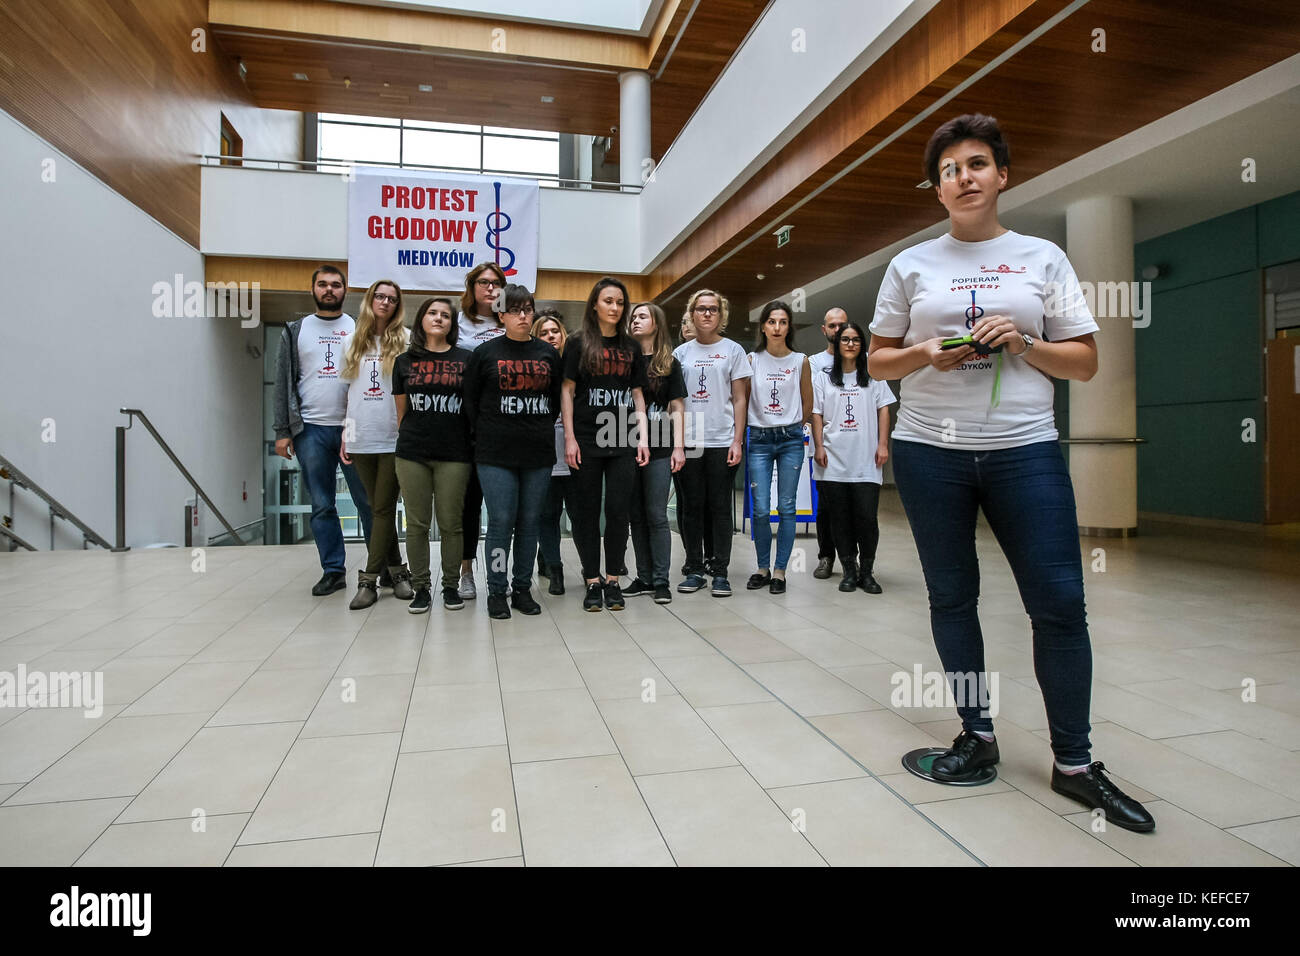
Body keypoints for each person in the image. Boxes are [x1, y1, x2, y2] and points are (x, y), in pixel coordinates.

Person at [867, 113, 1154, 831]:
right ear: (938, 190)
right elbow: (876, 360)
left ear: (1001, 175)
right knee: (953, 597)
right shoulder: (911, 265)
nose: (963, 177)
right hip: (929, 450)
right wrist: (924, 353)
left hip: (1025, 451)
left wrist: (1025, 342)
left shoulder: (1042, 258)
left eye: (976, 164)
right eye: (948, 170)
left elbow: (1084, 362)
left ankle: (1076, 764)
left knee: (1059, 602)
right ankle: (978, 738)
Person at [273, 264, 374, 596]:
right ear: (313, 289)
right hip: (310, 429)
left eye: (336, 285)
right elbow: (283, 383)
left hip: (354, 428)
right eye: (323, 284)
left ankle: (380, 569)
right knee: (322, 504)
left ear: (345, 291)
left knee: (370, 502)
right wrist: (283, 430)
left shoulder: (360, 329)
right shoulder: (295, 330)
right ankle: (333, 570)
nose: (329, 290)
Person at [463, 283, 561, 620]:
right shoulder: (485, 354)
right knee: (502, 522)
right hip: (494, 454)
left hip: (537, 452)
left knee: (529, 522)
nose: (523, 315)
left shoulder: (548, 354)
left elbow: (555, 403)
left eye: (528, 309)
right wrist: (488, 434)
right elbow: (470, 403)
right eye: (515, 310)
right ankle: (496, 590)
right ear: (501, 314)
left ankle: (522, 587)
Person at [561, 278, 649, 612]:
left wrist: (642, 436)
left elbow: (638, 395)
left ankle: (613, 579)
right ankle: (591, 580)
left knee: (617, 511)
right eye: (608, 301)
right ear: (595, 304)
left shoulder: (631, 347)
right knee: (585, 513)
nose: (614, 308)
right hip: (585, 438)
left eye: (620, 303)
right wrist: (569, 437)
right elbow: (567, 390)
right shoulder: (578, 342)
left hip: (622, 437)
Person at [393, 297, 473, 613]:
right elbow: (401, 413)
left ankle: (450, 587)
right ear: (421, 320)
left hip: (455, 453)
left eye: (445, 315)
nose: (438, 318)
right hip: (412, 452)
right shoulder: (404, 361)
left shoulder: (466, 360)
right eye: (432, 313)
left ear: (452, 324)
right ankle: (421, 588)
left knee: (452, 523)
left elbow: (471, 409)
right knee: (417, 524)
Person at [339, 279, 414, 609]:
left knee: (382, 507)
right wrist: (345, 432)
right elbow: (346, 392)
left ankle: (368, 580)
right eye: (379, 297)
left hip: (393, 436)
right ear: (370, 301)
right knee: (374, 508)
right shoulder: (351, 339)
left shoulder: (408, 340)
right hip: (360, 435)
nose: (385, 302)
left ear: (398, 306)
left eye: (392, 299)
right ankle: (398, 571)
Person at [673, 289, 751, 596]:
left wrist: (737, 440)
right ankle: (694, 569)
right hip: (690, 439)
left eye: (713, 309)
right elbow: (675, 401)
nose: (707, 313)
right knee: (691, 507)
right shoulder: (681, 354)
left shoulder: (733, 351)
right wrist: (677, 444)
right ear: (692, 314)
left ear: (721, 315)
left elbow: (741, 399)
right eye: (701, 309)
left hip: (721, 439)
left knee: (719, 507)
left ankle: (720, 572)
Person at [812, 322, 894, 594]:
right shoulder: (824, 377)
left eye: (856, 340)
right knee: (840, 518)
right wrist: (819, 447)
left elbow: (884, 410)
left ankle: (867, 572)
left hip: (866, 460)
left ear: (862, 345)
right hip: (832, 460)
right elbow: (816, 414)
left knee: (866, 518)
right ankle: (849, 570)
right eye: (844, 339)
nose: (850, 344)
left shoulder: (873, 375)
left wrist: (883, 444)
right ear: (836, 345)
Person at [745, 301, 812, 594]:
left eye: (783, 322)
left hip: (790, 440)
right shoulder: (751, 360)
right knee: (760, 509)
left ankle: (780, 571)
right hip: (759, 438)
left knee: (786, 506)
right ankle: (762, 567)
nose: (777, 327)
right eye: (771, 321)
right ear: (763, 326)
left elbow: (807, 401)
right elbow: (743, 399)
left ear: (789, 327)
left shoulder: (800, 361)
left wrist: (795, 424)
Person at [454, 262, 508, 602]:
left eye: (496, 283)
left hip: (504, 424)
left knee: (503, 509)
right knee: (469, 504)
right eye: (483, 283)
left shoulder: (509, 321)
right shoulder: (457, 323)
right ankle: (466, 571)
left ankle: (503, 574)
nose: (490, 289)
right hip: (464, 424)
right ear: (472, 287)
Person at [626, 302, 686, 604]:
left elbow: (677, 407)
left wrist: (679, 447)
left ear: (656, 324)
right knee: (635, 515)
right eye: (633, 317)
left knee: (656, 514)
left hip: (661, 447)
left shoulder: (669, 363)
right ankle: (644, 577)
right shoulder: (623, 360)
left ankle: (661, 580)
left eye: (642, 316)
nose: (635, 320)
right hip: (625, 443)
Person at [531, 309, 573, 596]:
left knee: (578, 514)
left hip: (573, 452)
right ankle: (554, 569)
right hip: (543, 456)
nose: (550, 337)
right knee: (547, 515)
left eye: (554, 332)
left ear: (562, 335)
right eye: (543, 333)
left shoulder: (575, 365)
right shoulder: (532, 369)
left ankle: (585, 567)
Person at [810, 307, 847, 580]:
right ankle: (826, 557)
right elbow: (814, 406)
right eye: (832, 326)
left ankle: (853, 561)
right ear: (824, 330)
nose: (837, 330)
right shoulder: (813, 362)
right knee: (826, 506)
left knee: (857, 507)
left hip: (856, 446)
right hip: (824, 446)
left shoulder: (864, 361)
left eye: (842, 325)